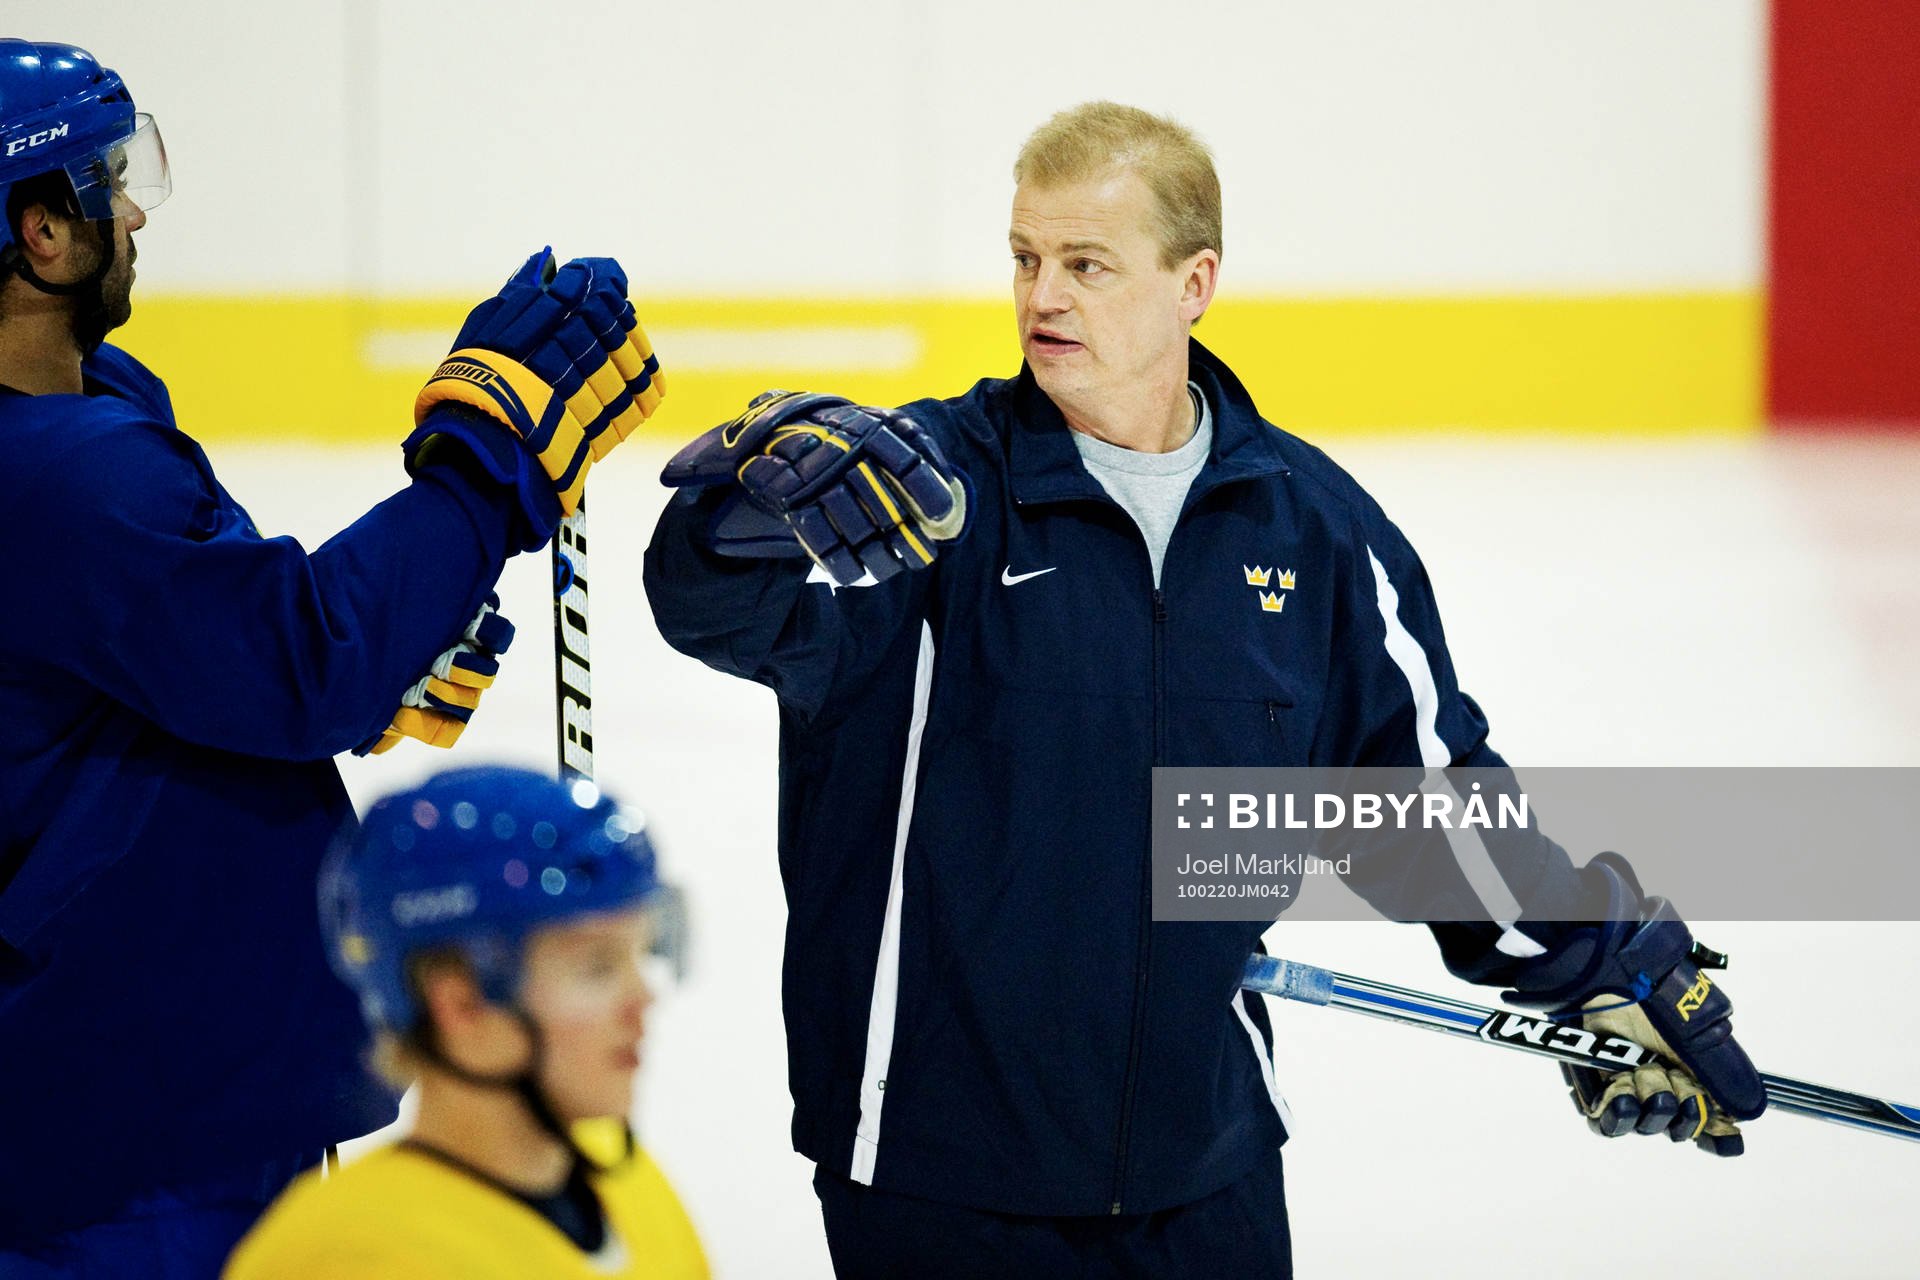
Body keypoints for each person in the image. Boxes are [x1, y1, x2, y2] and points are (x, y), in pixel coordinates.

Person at [643, 101, 1764, 1275]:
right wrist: (738, 518)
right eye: (1025, 259)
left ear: (1195, 282)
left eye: (1086, 265)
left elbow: (1428, 814)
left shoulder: (1318, 531)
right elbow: (712, 603)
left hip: (1204, 1168)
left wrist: (1600, 965)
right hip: (936, 1172)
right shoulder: (924, 500)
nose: (1042, 298)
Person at [0, 40, 661, 1276]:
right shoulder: (56, 475)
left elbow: (240, 636)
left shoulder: (98, 405)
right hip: (131, 1133)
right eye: (105, 181)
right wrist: (492, 458)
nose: (134, 208)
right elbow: (304, 654)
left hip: (146, 1084)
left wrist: (372, 653)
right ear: (40, 231)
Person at [222, 766, 707, 1279]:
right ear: (461, 1003)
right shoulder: (352, 1259)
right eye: (596, 968)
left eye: (641, 953)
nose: (642, 998)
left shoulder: (630, 1183)